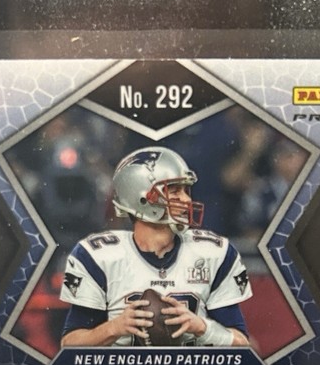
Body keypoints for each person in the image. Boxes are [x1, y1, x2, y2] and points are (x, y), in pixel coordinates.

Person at [59, 147, 252, 347]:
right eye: (174, 191)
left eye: (186, 190)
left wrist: (203, 328)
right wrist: (113, 328)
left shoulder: (213, 253)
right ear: (142, 197)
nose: (186, 199)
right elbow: (70, 344)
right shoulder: (98, 257)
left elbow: (243, 344)